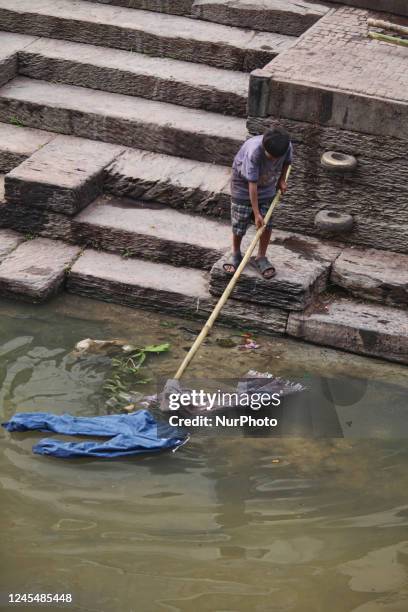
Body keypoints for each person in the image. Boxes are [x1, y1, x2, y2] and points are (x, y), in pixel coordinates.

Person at [223, 127, 292, 279]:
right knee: (239, 223)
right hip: (243, 187)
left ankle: (261, 257)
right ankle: (235, 253)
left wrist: (281, 180)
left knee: (266, 224)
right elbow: (252, 185)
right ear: (264, 147)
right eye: (271, 156)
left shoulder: (285, 146)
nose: (274, 160)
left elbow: (287, 162)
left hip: (268, 186)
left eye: (276, 157)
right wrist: (256, 213)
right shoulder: (254, 152)